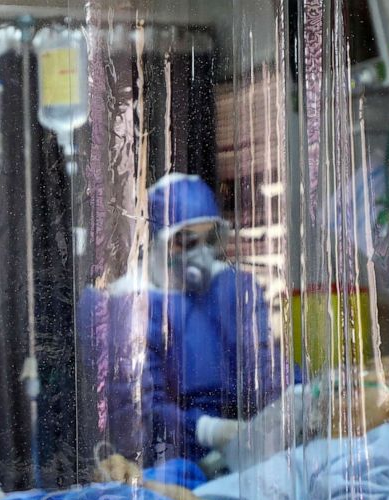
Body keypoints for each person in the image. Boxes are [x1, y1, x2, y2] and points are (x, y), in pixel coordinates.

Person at [87, 173, 293, 469]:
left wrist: (303, 394)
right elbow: (135, 413)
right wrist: (208, 430)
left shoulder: (230, 289)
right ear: (156, 242)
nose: (201, 253)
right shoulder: (128, 305)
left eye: (210, 239)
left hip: (239, 458)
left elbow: (263, 367)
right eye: (186, 242)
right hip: (167, 466)